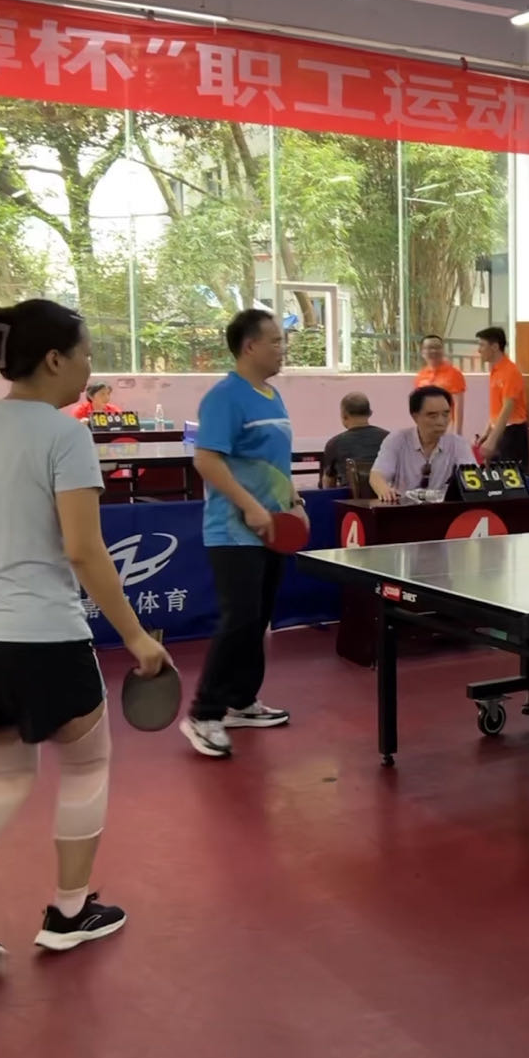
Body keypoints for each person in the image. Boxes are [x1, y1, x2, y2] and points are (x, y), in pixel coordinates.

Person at [0, 299, 169, 968]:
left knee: (3, 777)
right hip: (38, 635)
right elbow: (84, 550)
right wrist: (137, 637)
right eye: (84, 353)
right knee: (86, 763)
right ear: (54, 359)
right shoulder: (64, 434)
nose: (88, 366)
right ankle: (70, 911)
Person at [182, 309, 301, 760]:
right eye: (275, 341)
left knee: (258, 618)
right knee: (239, 619)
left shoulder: (271, 395)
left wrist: (292, 497)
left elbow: (273, 461)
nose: (282, 348)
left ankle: (241, 701)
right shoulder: (224, 397)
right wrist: (250, 506)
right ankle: (203, 713)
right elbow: (206, 460)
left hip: (271, 528)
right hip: (233, 531)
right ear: (249, 346)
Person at [370, 386, 468, 501]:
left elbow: (472, 478)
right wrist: (385, 491)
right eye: (433, 416)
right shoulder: (397, 439)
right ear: (415, 416)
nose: (441, 422)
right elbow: (377, 475)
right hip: (402, 507)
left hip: (442, 508)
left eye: (446, 414)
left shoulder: (457, 443)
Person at [475, 325, 528, 466]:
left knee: (508, 475)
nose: (479, 350)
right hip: (499, 430)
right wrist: (487, 432)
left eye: (482, 345)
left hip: (511, 433)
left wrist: (492, 439)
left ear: (495, 347)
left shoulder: (510, 371)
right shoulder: (495, 370)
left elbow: (507, 408)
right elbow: (497, 408)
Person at [319, 391, 387, 488]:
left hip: (349, 496)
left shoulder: (334, 444)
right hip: (386, 495)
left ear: (344, 415)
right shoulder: (388, 438)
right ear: (370, 413)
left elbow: (329, 484)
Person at [413, 334, 467, 435]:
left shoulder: (454, 374)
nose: (434, 351)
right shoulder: (421, 376)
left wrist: (458, 433)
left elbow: (458, 405)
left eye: (438, 347)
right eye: (430, 348)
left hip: (445, 426)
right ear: (422, 352)